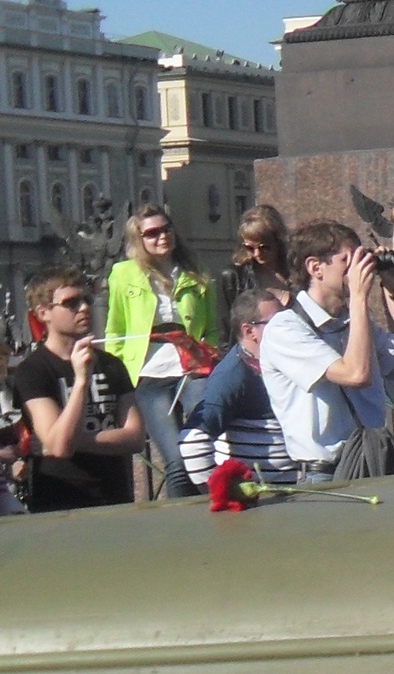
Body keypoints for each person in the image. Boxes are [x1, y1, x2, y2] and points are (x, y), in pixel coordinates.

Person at [262, 219, 394, 480]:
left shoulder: (354, 322)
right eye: (347, 261)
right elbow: (356, 374)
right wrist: (358, 297)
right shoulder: (285, 328)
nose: (357, 269)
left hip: (373, 458)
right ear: (315, 267)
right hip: (327, 473)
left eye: (360, 259)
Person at [103, 205, 218, 499]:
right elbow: (115, 330)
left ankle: (212, 504)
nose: (162, 237)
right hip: (149, 374)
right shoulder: (123, 274)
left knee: (199, 447)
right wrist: (118, 376)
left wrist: (209, 353)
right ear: (139, 239)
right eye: (152, 233)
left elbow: (213, 327)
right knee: (176, 461)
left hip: (192, 370)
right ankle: (179, 521)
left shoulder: (196, 272)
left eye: (166, 229)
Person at [10, 269, 146, 512]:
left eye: (87, 299)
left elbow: (135, 437)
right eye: (71, 303)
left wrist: (72, 441)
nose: (84, 308)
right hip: (60, 504)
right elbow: (60, 447)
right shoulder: (33, 370)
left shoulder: (111, 364)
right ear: (43, 313)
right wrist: (81, 380)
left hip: (116, 498)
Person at [181, 286, 297, 488]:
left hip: (300, 488)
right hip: (269, 498)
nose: (288, 327)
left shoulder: (286, 360)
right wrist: (225, 492)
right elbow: (192, 442)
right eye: (277, 322)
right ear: (249, 331)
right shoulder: (232, 375)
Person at [230, 204, 294, 314]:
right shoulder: (237, 277)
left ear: (278, 242)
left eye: (264, 247)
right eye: (249, 248)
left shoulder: (297, 272)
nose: (257, 254)